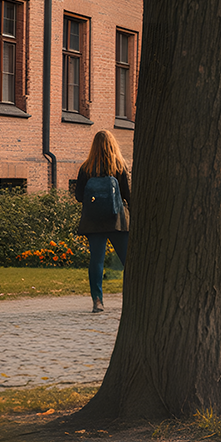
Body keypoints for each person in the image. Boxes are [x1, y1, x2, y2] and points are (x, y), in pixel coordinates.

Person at [74, 130, 132, 314]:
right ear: (113, 145)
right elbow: (127, 195)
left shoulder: (86, 168)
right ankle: (131, 298)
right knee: (128, 260)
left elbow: (78, 196)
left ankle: (97, 301)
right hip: (117, 221)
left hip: (93, 222)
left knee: (96, 261)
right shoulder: (120, 167)